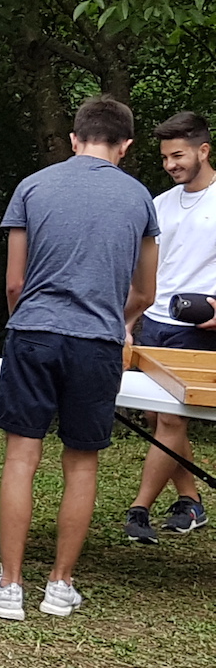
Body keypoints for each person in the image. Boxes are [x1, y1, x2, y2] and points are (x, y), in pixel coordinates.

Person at [0, 94, 158, 622]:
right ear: (125, 145)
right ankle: (60, 585)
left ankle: (9, 585)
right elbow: (145, 291)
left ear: (75, 139)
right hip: (98, 341)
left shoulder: (33, 187)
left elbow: (14, 282)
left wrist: (29, 315)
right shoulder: (141, 199)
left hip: (33, 334)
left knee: (21, 457)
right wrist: (110, 316)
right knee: (82, 463)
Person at [124, 111, 216, 543]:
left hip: (197, 327)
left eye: (177, 155)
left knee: (170, 421)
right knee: (156, 415)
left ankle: (138, 509)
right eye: (164, 158)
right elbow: (142, 273)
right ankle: (191, 500)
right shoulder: (159, 204)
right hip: (154, 322)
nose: (170, 165)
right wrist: (128, 319)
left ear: (203, 150)